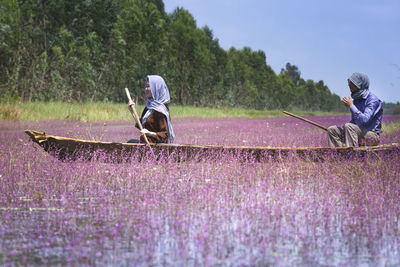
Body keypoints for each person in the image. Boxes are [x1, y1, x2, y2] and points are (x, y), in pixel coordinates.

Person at [327, 72, 383, 147]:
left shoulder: (372, 100)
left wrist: (351, 106)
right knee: (332, 130)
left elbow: (365, 120)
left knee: (349, 127)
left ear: (361, 85)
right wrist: (343, 129)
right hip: (357, 133)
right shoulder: (357, 99)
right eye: (350, 82)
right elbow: (354, 122)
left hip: (372, 136)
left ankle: (351, 154)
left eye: (353, 83)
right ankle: (338, 154)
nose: (349, 85)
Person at [127, 75, 175, 144]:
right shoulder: (149, 107)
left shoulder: (160, 111)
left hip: (156, 147)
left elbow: (165, 135)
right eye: (146, 86)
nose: (146, 89)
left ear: (156, 88)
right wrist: (132, 110)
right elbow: (141, 125)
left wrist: (149, 133)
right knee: (130, 142)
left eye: (149, 86)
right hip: (145, 144)